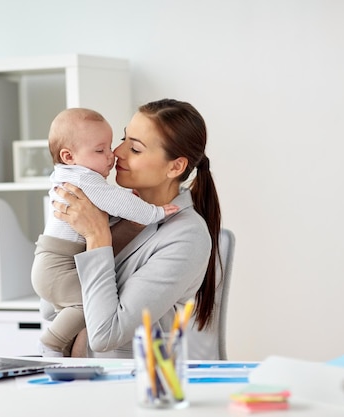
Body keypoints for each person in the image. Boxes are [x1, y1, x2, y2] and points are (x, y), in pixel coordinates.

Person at [45, 98, 222, 358]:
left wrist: (97, 237)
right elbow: (50, 309)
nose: (117, 152)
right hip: (74, 377)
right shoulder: (106, 206)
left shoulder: (187, 236)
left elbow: (106, 335)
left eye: (135, 149)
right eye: (124, 139)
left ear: (175, 166)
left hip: (133, 386)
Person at [31, 107, 179, 357]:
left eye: (111, 146)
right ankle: (51, 343)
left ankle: (60, 346)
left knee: (81, 305)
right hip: (58, 263)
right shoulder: (84, 179)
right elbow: (120, 202)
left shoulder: (69, 175)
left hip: (51, 261)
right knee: (86, 303)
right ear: (68, 156)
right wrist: (155, 213)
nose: (112, 156)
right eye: (101, 150)